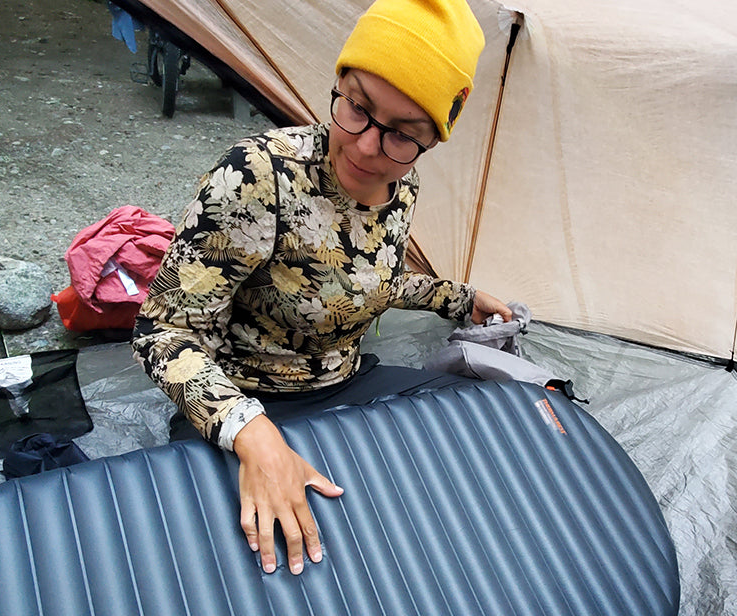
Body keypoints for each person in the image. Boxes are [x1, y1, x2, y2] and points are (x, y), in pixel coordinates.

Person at [132, 0, 512, 575]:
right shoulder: (258, 177)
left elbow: (366, 282)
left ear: (433, 140)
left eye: (404, 136)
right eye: (357, 108)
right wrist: (248, 431)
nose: (365, 147)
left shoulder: (401, 191)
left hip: (345, 386)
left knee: (464, 448)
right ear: (339, 82)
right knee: (241, 556)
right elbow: (164, 327)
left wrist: (458, 299)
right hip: (245, 401)